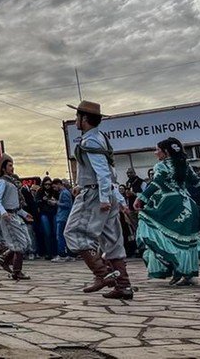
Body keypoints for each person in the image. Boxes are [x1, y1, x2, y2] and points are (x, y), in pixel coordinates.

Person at [63, 100, 133, 300]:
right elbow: (108, 171)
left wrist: (103, 198)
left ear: (84, 119)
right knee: (112, 239)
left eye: (77, 116)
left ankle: (103, 275)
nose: (75, 120)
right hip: (104, 192)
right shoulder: (100, 137)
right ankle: (124, 286)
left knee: (74, 233)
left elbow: (103, 172)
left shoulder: (90, 141)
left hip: (95, 194)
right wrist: (113, 197)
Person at [135, 138, 200, 286]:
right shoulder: (184, 165)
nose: (155, 153)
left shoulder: (161, 166)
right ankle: (187, 273)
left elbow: (156, 183)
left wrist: (142, 197)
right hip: (188, 205)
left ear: (166, 152)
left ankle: (176, 268)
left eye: (157, 150)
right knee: (187, 241)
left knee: (153, 226)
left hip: (171, 205)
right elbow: (198, 182)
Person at [0, 154, 33, 280]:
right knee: (19, 244)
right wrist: (2, 212)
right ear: (3, 168)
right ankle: (16, 271)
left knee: (26, 243)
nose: (12, 168)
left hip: (14, 215)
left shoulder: (11, 182)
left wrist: (25, 214)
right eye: (10, 166)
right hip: (7, 217)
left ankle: (4, 259)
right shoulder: (2, 182)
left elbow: (13, 204)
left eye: (12, 165)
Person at [51, 179, 73, 261]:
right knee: (64, 236)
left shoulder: (64, 193)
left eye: (54, 186)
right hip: (63, 216)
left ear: (59, 184)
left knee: (60, 236)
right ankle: (69, 254)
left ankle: (62, 254)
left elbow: (67, 205)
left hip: (63, 217)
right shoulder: (64, 193)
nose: (54, 188)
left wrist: (56, 203)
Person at [36, 178, 58, 260]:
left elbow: (58, 201)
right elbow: (36, 202)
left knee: (55, 233)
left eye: (49, 184)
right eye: (46, 184)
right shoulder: (40, 192)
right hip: (44, 213)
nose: (47, 186)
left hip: (53, 213)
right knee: (47, 233)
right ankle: (48, 253)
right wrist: (42, 200)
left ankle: (55, 252)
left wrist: (54, 201)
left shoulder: (54, 191)